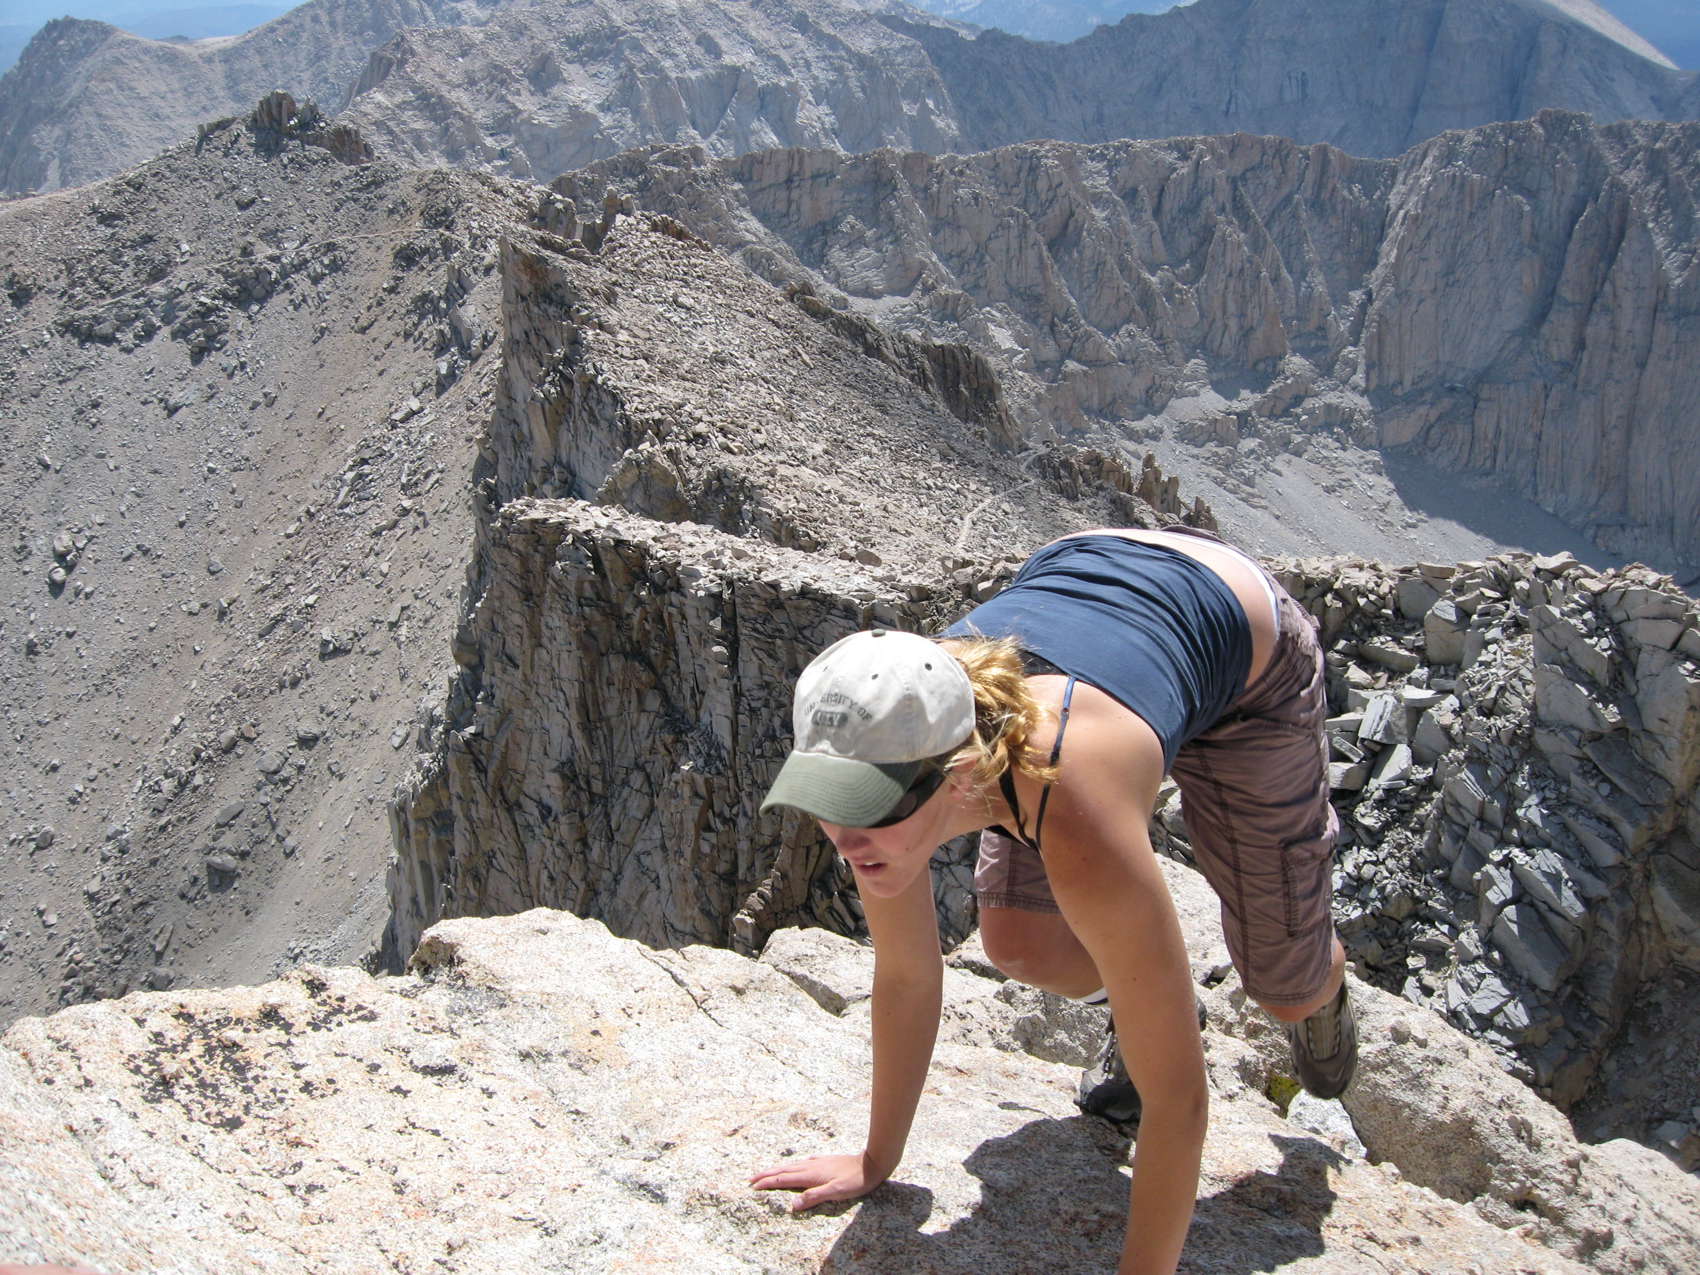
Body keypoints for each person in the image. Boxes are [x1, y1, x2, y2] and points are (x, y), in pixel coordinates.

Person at [749, 527, 1355, 1275]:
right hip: (1092, 581)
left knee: (1283, 986)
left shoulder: (1068, 796)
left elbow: (1179, 1102)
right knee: (1021, 947)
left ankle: (1322, 986)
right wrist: (876, 1160)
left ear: (958, 772)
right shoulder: (884, 719)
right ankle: (1145, 1004)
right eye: (826, 798)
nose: (846, 837)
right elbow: (906, 972)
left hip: (1241, 643)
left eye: (868, 805)